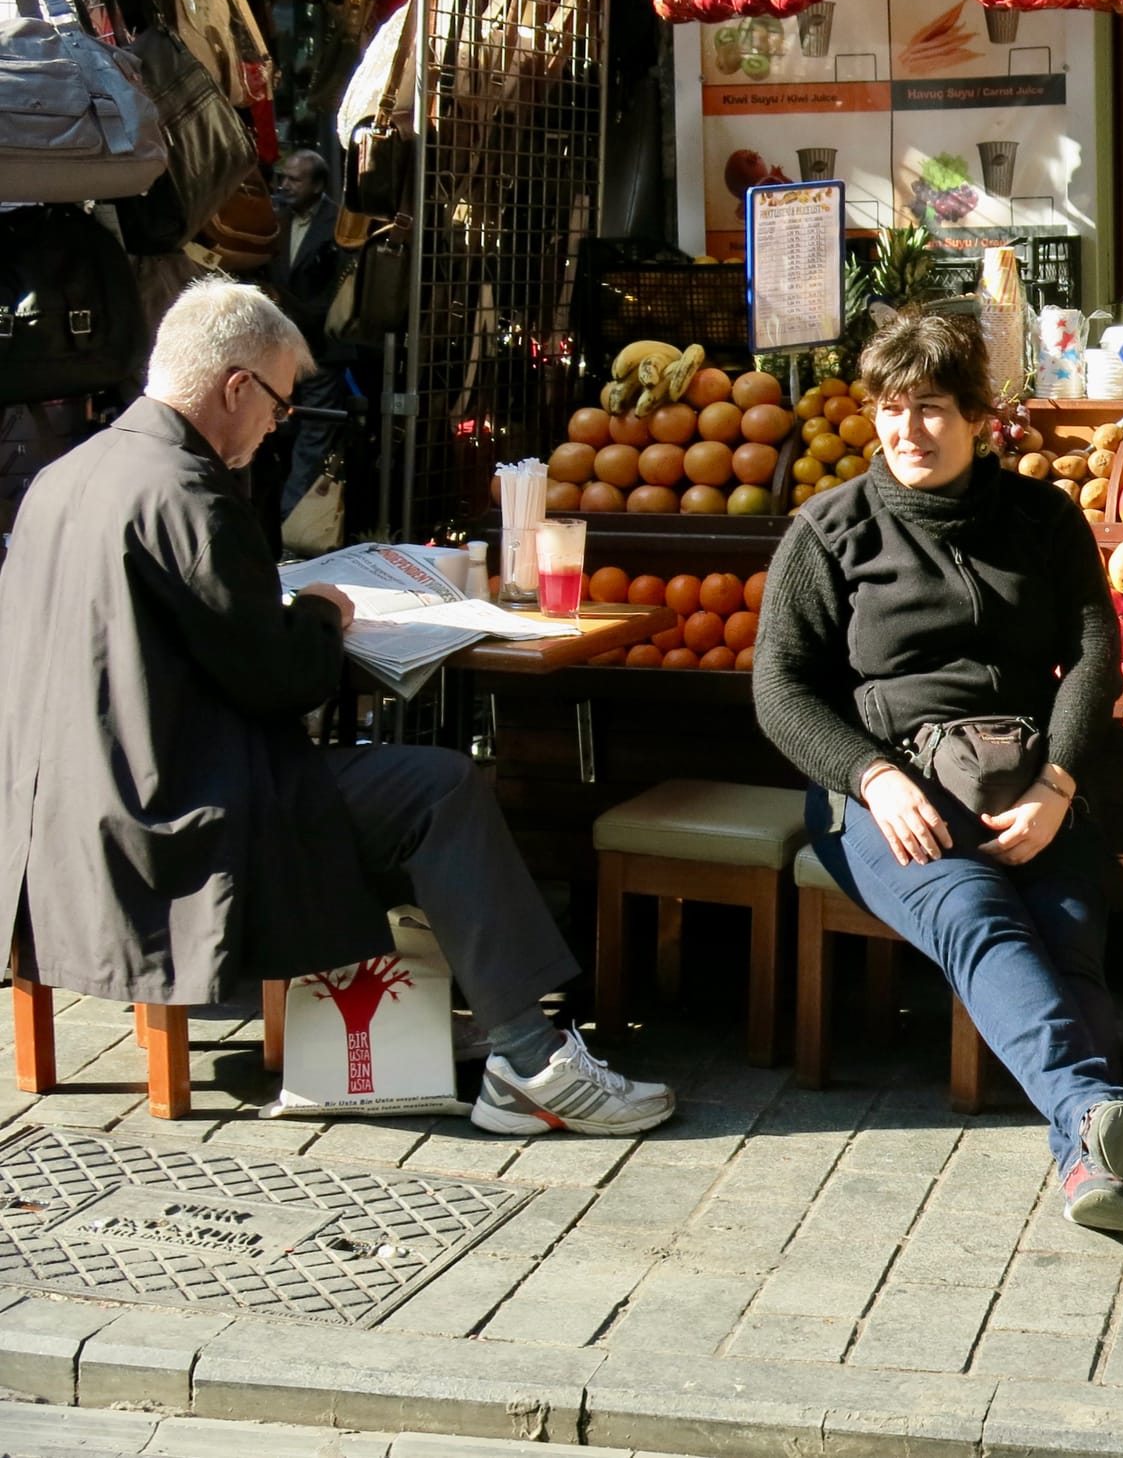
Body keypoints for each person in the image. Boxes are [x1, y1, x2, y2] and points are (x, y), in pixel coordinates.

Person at [0, 279, 673, 1139]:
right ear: (235, 387)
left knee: (402, 787)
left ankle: (458, 1015)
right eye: (280, 402)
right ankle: (527, 1056)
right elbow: (282, 681)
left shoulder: (65, 474)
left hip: (57, 819)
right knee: (439, 789)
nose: (280, 422)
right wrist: (322, 613)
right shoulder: (188, 494)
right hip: (175, 816)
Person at [752, 311, 1123, 1233]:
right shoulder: (831, 532)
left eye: (932, 408)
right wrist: (870, 778)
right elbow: (779, 690)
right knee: (974, 914)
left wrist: (1058, 784)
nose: (909, 431)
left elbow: (1095, 655)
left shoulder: (1040, 518)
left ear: (977, 415)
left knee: (1066, 929)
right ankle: (1096, 1116)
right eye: (892, 409)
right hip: (885, 794)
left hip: (1023, 782)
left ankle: (1088, 1166)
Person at [262, 150, 353, 524]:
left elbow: (338, 291)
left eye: (294, 179)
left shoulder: (339, 225)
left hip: (319, 350)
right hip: (274, 347)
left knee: (312, 443)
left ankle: (292, 525)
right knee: (272, 434)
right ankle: (269, 520)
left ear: (317, 185)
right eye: (282, 177)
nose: (284, 185)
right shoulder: (272, 217)